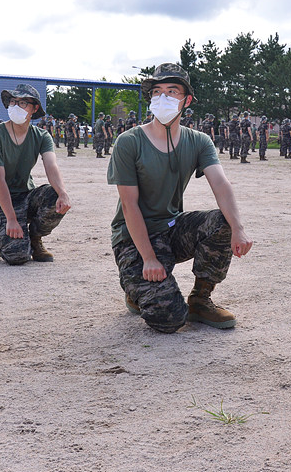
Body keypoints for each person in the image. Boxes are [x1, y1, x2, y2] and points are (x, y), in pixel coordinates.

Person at [108, 63, 253, 333]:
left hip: (171, 228)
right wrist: (149, 258)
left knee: (224, 222)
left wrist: (239, 229)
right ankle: (136, 287)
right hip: (133, 236)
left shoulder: (198, 141)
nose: (163, 98)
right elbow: (129, 206)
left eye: (172, 91)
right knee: (169, 319)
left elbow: (221, 184)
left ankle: (200, 299)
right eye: (157, 91)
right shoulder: (129, 142)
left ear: (186, 101)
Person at [0, 84, 71, 265]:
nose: (15, 106)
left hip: (25, 195)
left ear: (34, 108)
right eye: (13, 102)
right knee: (17, 256)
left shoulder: (42, 136)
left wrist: (63, 193)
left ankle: (35, 239)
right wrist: (11, 219)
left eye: (22, 103)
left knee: (54, 195)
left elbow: (51, 166)